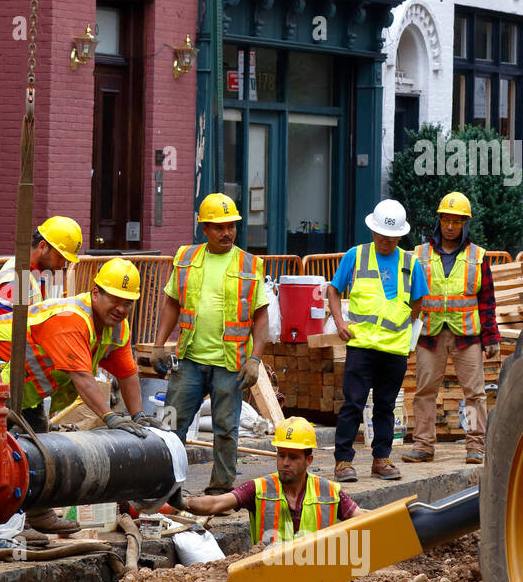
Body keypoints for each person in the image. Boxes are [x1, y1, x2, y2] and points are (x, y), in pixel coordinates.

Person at [0, 258, 154, 532]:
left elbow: (127, 373)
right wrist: (110, 418)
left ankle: (36, 514)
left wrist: (138, 416)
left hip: (23, 386)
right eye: (115, 299)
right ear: (96, 293)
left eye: (128, 302)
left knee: (36, 449)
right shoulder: (72, 319)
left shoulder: (117, 327)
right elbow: (82, 377)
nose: (121, 308)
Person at [148, 192, 269, 499]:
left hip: (230, 364)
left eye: (231, 225)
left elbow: (261, 317)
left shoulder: (249, 263)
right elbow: (172, 302)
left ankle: (220, 490)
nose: (226, 232)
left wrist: (255, 359)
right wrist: (159, 345)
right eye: (218, 226)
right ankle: (164, 487)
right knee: (171, 423)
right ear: (204, 228)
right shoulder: (187, 258)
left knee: (226, 430)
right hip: (188, 359)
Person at [326, 199, 427, 483]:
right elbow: (333, 290)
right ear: (372, 230)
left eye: (392, 236)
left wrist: (405, 329)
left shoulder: (410, 262)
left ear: (400, 235)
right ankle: (343, 461)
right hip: (362, 345)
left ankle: (381, 459)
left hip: (394, 349)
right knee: (353, 404)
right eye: (381, 234)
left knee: (385, 406)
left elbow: (418, 301)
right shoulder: (356, 256)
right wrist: (340, 322)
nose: (385, 240)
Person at [403, 192, 500, 466]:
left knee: (474, 393)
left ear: (464, 224)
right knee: (424, 392)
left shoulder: (477, 256)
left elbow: (487, 301)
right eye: (446, 219)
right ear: (439, 220)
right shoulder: (420, 254)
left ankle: (475, 446)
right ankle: (423, 445)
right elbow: (408, 296)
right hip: (430, 334)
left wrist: (491, 338)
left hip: (466, 335)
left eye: (456, 222)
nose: (449, 226)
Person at [182, 416, 360, 541]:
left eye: (293, 457)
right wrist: (180, 502)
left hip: (315, 581)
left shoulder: (329, 491)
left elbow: (363, 521)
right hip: (268, 578)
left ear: (309, 460)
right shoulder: (259, 488)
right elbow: (214, 504)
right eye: (281, 455)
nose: (285, 463)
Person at [0, 215, 83, 317]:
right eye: (60, 257)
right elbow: (0, 328)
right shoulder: (15, 279)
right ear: (42, 246)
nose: (62, 265)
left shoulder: (39, 273)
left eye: (66, 261)